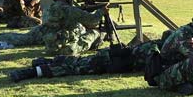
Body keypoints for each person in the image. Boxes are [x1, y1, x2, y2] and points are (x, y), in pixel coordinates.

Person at [0, 0, 104, 53]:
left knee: (17, 38)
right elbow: (93, 20)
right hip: (60, 36)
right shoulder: (71, 10)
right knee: (86, 32)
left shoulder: (50, 7)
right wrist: (101, 11)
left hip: (43, 32)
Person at [9, 34, 169, 82]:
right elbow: (153, 69)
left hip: (111, 57)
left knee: (78, 62)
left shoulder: (155, 45)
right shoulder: (154, 49)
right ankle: (31, 72)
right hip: (110, 61)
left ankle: (47, 61)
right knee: (76, 68)